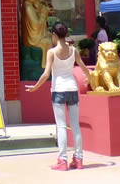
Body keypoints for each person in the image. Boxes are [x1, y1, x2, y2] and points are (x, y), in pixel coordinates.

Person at [26, 22, 83, 172]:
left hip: (58, 90)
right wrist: (92, 81)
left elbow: (46, 74)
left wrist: (35, 87)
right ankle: (78, 159)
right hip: (72, 88)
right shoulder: (73, 50)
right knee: (75, 125)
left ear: (54, 35)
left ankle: (62, 160)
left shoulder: (51, 52)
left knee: (62, 126)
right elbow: (83, 67)